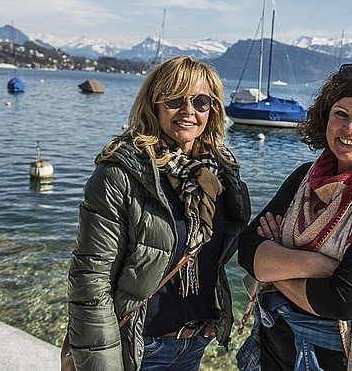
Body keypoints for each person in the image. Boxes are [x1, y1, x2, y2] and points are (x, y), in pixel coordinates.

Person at [63, 56, 251, 371]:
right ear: (153, 105)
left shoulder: (219, 172)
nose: (189, 110)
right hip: (141, 347)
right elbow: (91, 279)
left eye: (201, 101)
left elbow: (215, 256)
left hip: (193, 342)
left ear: (213, 109)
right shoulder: (120, 174)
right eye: (175, 100)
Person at [236, 63, 352, 371]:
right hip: (273, 351)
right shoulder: (303, 178)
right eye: (341, 114)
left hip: (342, 359)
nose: (350, 128)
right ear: (326, 117)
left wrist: (273, 265)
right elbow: (246, 249)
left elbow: (344, 300)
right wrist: (315, 265)